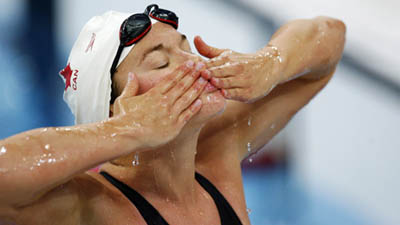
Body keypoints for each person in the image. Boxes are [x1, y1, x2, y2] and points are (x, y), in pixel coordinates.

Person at [0, 4, 346, 225]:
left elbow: (329, 39)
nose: (194, 62)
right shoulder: (88, 204)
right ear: (117, 105)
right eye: (162, 62)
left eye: (186, 48)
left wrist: (270, 64)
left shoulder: (218, 154)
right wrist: (125, 130)